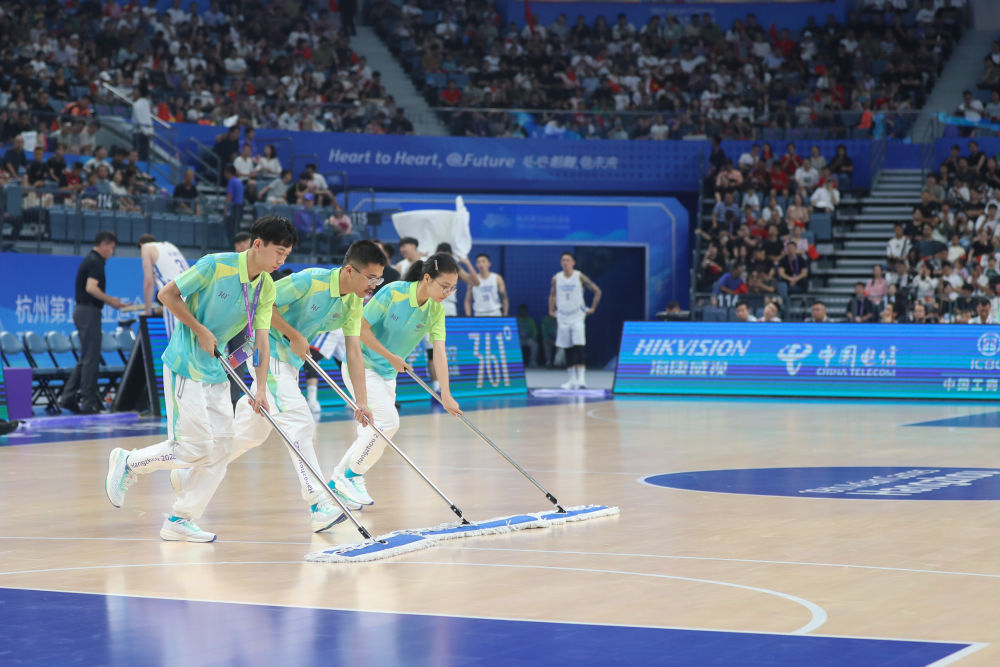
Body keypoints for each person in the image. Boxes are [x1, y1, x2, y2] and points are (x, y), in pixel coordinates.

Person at [104, 216, 297, 542]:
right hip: (185, 364)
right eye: (279, 252)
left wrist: (261, 389)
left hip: (217, 370)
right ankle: (129, 462)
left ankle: (181, 518)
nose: (281, 260)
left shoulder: (265, 287)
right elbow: (167, 295)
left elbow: (262, 341)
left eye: (287, 255)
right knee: (194, 448)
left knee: (221, 448)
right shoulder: (215, 266)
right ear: (258, 244)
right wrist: (200, 329)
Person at [172, 240, 388, 533]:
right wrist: (293, 334)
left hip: (290, 364)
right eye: (371, 278)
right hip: (268, 355)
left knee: (250, 433)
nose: (374, 285)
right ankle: (318, 503)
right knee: (299, 421)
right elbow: (263, 304)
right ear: (350, 270)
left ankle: (190, 473)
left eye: (379, 279)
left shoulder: (352, 302)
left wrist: (361, 402)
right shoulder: (309, 282)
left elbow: (353, 353)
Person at [327, 253, 464, 508]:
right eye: (444, 286)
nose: (448, 293)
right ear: (427, 278)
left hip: (387, 375)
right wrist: (391, 357)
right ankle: (351, 476)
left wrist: (445, 394)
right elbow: (361, 328)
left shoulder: (436, 310)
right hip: (362, 366)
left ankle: (338, 483)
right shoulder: (394, 293)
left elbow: (440, 352)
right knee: (388, 423)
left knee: (371, 432)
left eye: (452, 288)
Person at [59, 231, 125, 414]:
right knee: (91, 358)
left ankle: (67, 397)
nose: (111, 252)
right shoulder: (96, 262)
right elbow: (91, 288)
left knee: (86, 357)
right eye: (111, 248)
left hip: (84, 311)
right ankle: (88, 403)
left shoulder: (91, 260)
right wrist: (111, 301)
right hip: (89, 312)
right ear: (103, 244)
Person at [549, 252, 602, 390]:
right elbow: (552, 295)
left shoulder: (579, 276)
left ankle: (581, 379)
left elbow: (597, 290)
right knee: (567, 348)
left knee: (578, 346)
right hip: (563, 316)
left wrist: (593, 307)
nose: (565, 262)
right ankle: (571, 380)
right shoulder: (556, 278)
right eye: (563, 260)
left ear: (573, 262)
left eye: (568, 260)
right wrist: (551, 309)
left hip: (577, 315)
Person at [139, 234, 190, 336]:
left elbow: (149, 282)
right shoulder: (170, 246)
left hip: (175, 297)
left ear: (141, 244)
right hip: (193, 294)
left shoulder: (145, 248)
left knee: (175, 343)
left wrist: (147, 311)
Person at [131, 82, 154, 162]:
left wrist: (147, 131)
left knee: (140, 154)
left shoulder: (138, 104)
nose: (135, 92)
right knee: (142, 154)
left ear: (140, 93)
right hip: (144, 132)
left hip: (140, 133)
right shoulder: (144, 103)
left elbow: (141, 118)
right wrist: (150, 131)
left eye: (136, 90)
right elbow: (146, 118)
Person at [223, 164, 244, 242]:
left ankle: (231, 245)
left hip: (233, 208)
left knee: (231, 229)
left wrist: (225, 210)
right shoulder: (239, 182)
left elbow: (229, 197)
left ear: (228, 172)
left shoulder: (231, 182)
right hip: (240, 208)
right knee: (236, 228)